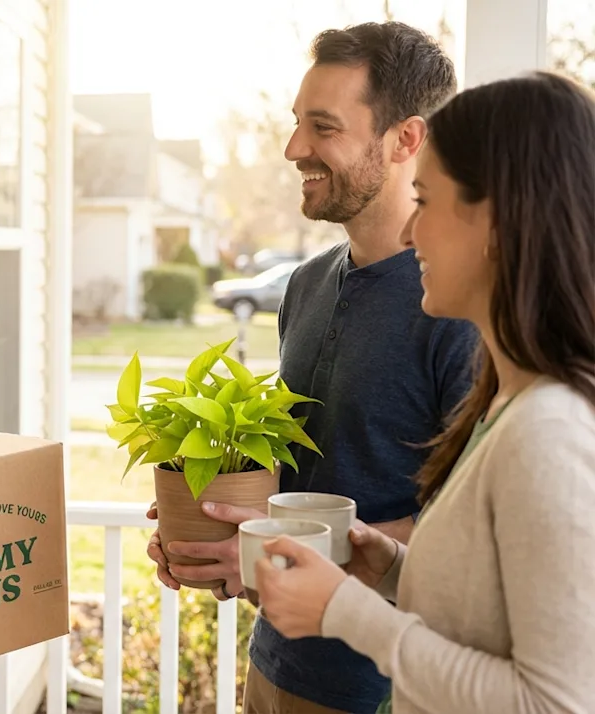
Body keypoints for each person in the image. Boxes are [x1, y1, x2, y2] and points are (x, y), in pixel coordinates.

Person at [145, 22, 478, 714]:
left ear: (405, 140)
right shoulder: (305, 285)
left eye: (322, 128)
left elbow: (468, 535)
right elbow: (302, 482)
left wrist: (273, 549)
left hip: (384, 687)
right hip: (273, 665)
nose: (294, 149)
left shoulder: (459, 308)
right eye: (296, 124)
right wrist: (218, 526)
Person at [253, 70, 595, 714]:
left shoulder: (550, 431)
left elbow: (555, 702)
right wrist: (386, 567)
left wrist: (345, 611)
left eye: (428, 200)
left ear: (497, 222)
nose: (411, 234)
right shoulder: (510, 404)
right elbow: (487, 612)